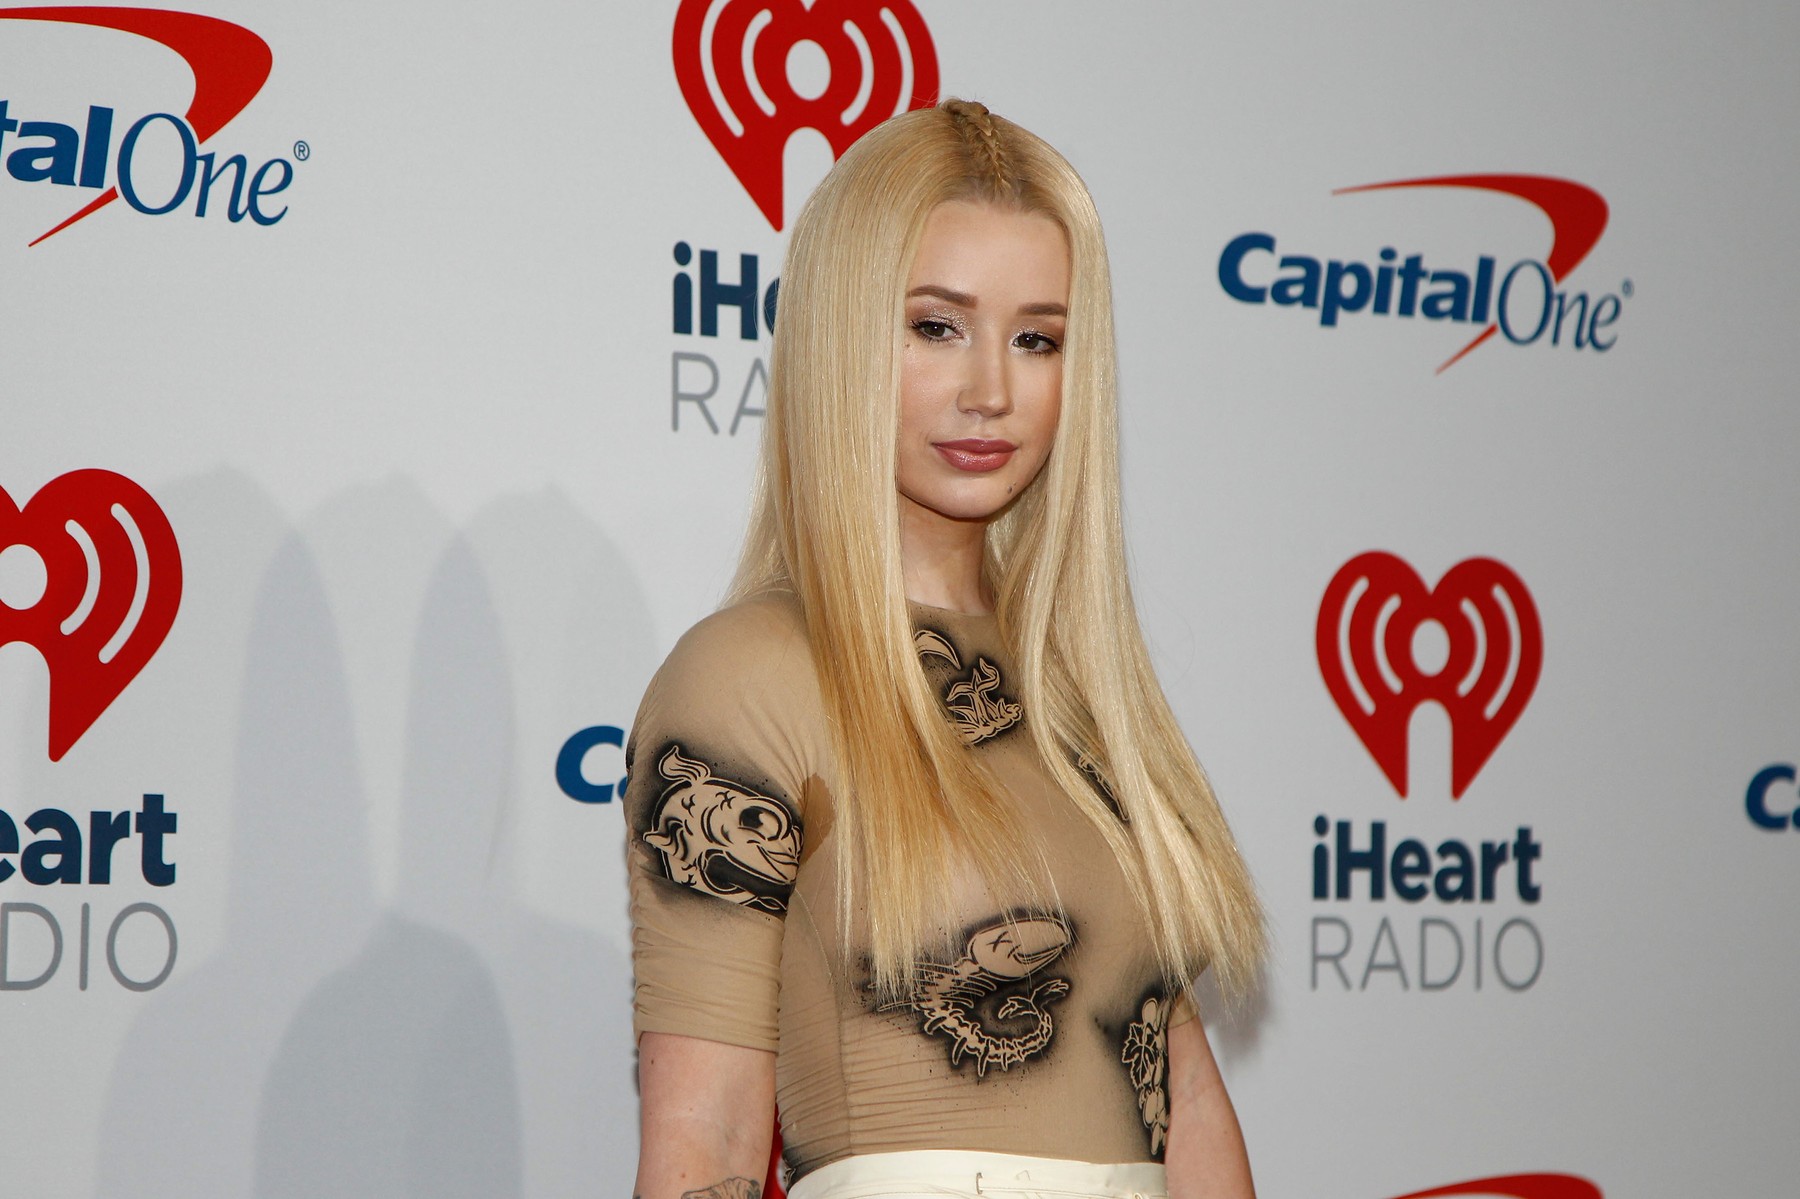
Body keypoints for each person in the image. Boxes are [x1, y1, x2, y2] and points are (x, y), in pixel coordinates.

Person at [625, 98, 1264, 1199]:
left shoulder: (1087, 689)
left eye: (1037, 338)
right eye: (935, 326)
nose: (991, 390)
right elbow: (708, 1148)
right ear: (839, 338)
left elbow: (1185, 1095)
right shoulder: (747, 677)